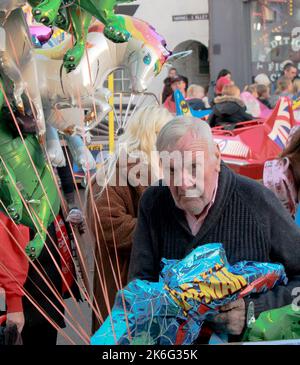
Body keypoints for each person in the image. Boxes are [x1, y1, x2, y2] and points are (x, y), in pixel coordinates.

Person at [128, 117, 300, 341]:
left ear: (217, 158)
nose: (183, 183)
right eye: (171, 170)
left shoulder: (257, 202)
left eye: (194, 167)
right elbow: (140, 282)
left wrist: (252, 310)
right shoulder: (154, 202)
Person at [86, 105, 173, 332]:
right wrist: (161, 230)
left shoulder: (158, 168)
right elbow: (107, 225)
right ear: (151, 133)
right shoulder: (118, 170)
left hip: (147, 288)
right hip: (124, 284)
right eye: (166, 132)